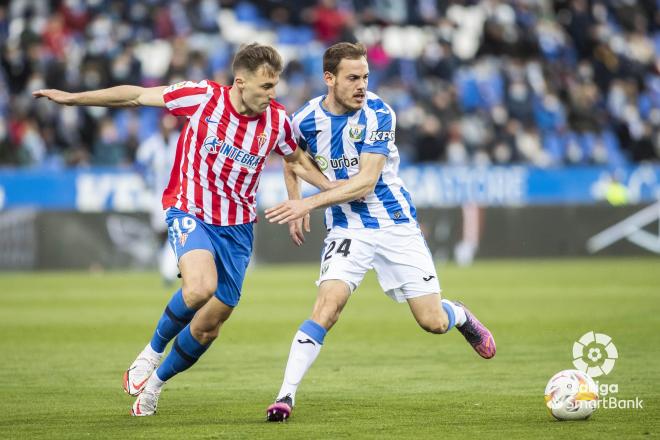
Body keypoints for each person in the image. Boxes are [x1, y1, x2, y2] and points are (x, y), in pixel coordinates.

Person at [34, 43, 334, 416]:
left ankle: (155, 385)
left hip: (238, 228)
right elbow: (137, 96)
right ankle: (151, 352)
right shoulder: (204, 98)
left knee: (210, 325)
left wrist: (329, 194)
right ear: (240, 82)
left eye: (275, 86)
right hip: (190, 209)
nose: (273, 94)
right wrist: (74, 99)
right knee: (199, 287)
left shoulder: (276, 121)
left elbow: (296, 159)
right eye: (266, 86)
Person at [263, 42, 496, 422]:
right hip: (346, 227)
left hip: (394, 224)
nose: (361, 85)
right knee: (327, 307)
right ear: (329, 79)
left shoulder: (377, 113)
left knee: (432, 322)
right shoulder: (304, 120)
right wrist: (294, 203)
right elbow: (292, 158)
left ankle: (460, 315)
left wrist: (306, 203)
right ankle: (285, 396)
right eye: (352, 78)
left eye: (365, 77)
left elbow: (366, 183)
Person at [135, 112, 180, 284]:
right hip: (158, 195)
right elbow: (139, 165)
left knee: (174, 231)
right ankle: (167, 267)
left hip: (178, 195)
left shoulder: (179, 140)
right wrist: (145, 182)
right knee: (161, 232)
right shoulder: (151, 145)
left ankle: (169, 270)